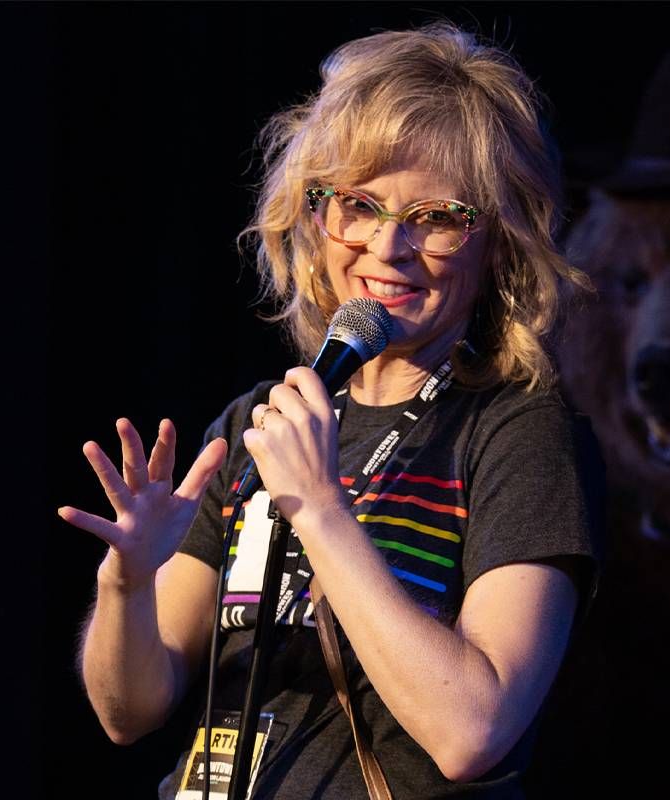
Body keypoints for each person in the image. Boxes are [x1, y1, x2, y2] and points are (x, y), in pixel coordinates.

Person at [59, 23, 604, 798]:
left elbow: (472, 729)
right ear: (316, 218)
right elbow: (131, 710)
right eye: (360, 205)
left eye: (438, 217)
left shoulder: (519, 432)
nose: (389, 246)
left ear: (501, 245)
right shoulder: (265, 423)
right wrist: (128, 582)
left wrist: (320, 508)